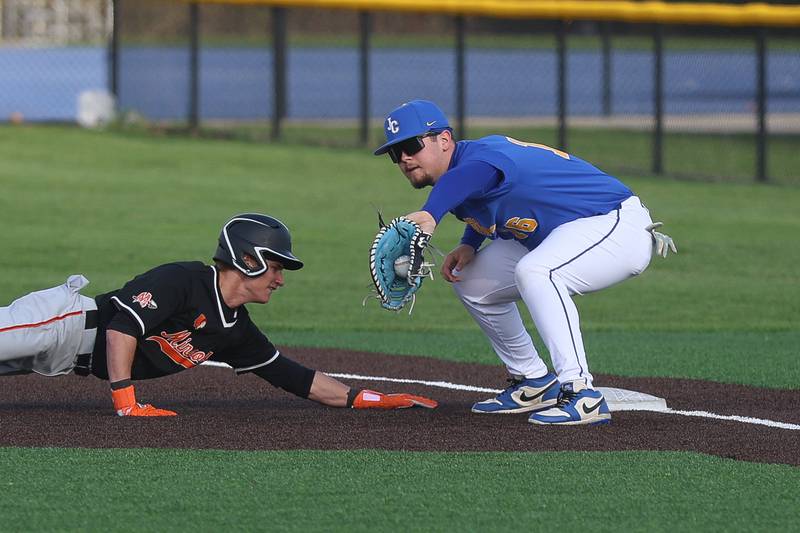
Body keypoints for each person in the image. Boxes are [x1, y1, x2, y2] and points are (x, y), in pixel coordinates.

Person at [373, 100, 676, 426]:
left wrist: (431, 213)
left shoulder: (483, 158)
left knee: (537, 271)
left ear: (444, 140)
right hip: (564, 232)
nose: (404, 158)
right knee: (471, 279)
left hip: (616, 224)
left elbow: (469, 179)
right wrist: (468, 243)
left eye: (411, 145)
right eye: (396, 152)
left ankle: (580, 392)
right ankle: (533, 380)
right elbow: (479, 201)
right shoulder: (461, 173)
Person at [0, 213, 437, 416]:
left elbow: (296, 378)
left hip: (59, 361)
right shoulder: (185, 279)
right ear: (247, 259)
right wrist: (126, 403)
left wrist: (367, 398)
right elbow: (120, 331)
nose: (280, 279)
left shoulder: (235, 330)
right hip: (61, 321)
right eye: (276, 266)